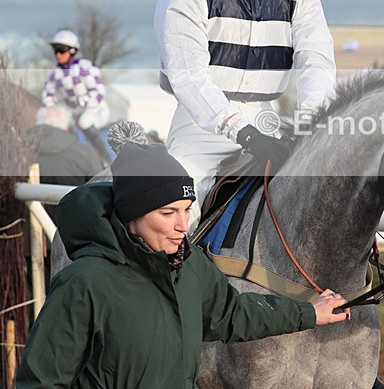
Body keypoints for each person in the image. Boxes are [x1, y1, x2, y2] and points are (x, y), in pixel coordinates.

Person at [16, 142, 349, 387]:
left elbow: (232, 313)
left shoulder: (189, 266)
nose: (183, 225)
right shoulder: (84, 283)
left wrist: (309, 313)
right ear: (132, 215)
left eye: (187, 209)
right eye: (168, 213)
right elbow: (41, 381)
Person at [154, 0, 336, 221]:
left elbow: (318, 64)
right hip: (201, 130)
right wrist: (242, 133)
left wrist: (310, 126)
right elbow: (188, 76)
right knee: (177, 214)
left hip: (268, 122)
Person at [41, 29, 112, 164]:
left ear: (72, 51)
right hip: (74, 111)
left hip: (95, 108)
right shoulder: (54, 73)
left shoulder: (85, 67)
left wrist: (80, 102)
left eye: (61, 50)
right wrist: (52, 108)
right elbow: (48, 94)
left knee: (84, 122)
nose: (58, 54)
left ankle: (107, 159)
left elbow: (98, 93)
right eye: (55, 50)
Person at [26, 106, 103, 220]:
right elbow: (101, 193)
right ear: (66, 126)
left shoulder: (18, 150)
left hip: (27, 224)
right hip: (74, 225)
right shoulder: (84, 152)